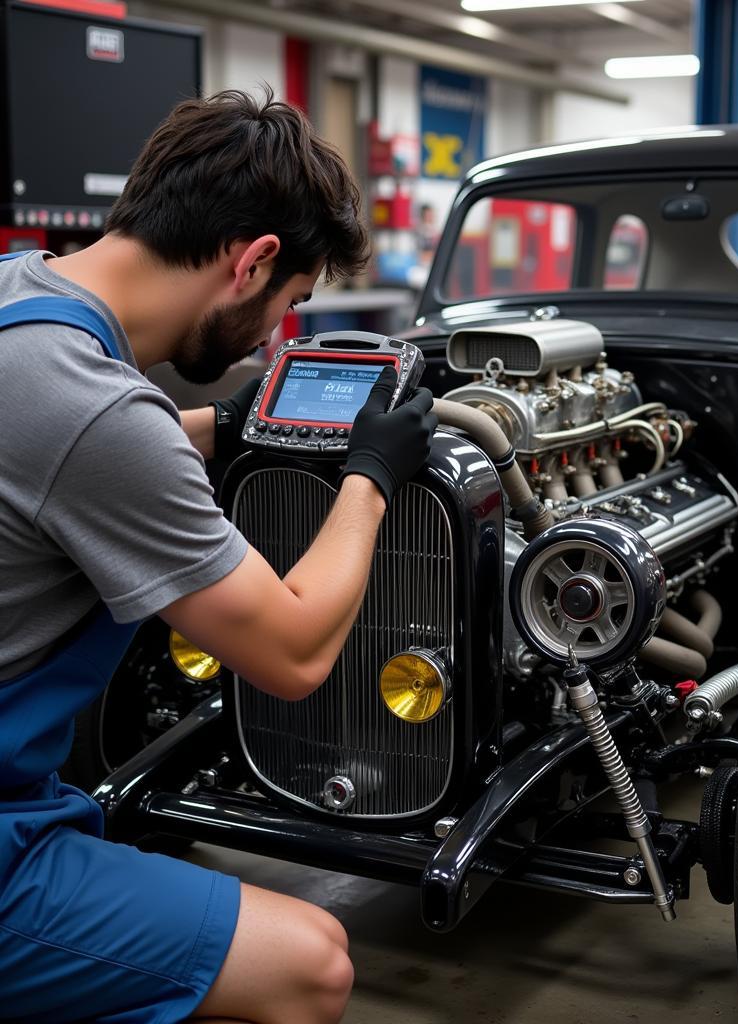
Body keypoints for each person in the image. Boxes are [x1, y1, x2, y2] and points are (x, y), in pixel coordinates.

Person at [0, 90, 437, 1023]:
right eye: (292, 304)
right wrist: (371, 475)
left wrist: (220, 427)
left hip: (20, 784)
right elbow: (293, 654)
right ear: (254, 262)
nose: (283, 332)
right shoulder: (101, 413)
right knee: (312, 961)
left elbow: (56, 457)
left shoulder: (18, 294)